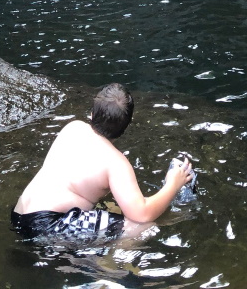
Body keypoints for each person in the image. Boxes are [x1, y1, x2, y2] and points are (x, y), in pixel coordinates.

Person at [11, 82, 194, 241]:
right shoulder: (116, 163)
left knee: (111, 213)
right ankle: (107, 272)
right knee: (142, 228)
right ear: (126, 125)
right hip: (48, 225)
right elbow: (142, 213)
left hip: (19, 215)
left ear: (91, 114)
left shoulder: (73, 127)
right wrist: (173, 184)